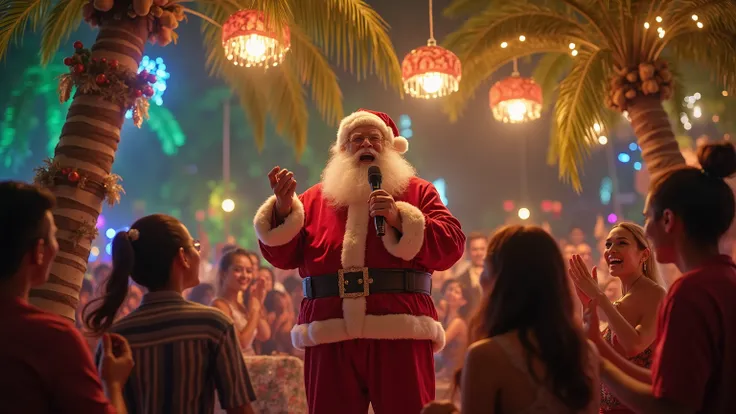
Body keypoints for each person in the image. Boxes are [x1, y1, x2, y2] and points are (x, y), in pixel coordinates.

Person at [253, 109, 465, 413]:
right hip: (330, 333)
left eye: (375, 138)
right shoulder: (313, 200)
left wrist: (399, 217)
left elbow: (452, 245)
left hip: (399, 333)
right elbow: (281, 255)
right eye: (356, 139)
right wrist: (284, 210)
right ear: (342, 149)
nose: (366, 144)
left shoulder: (418, 192)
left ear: (391, 147)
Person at [591, 142, 736, 413]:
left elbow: (671, 405)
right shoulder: (726, 279)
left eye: (647, 218)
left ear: (668, 220)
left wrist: (599, 364)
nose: (646, 229)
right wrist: (599, 348)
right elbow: (668, 384)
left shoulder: (690, 292)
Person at [83, 214, 257, 414]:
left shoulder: (115, 338)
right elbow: (240, 408)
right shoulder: (213, 325)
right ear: (183, 257)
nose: (199, 253)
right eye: (196, 246)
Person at [423, 226, 600, 414]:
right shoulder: (585, 353)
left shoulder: (486, 355)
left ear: (499, 281)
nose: (481, 277)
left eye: (486, 267)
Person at [0, 181, 132, 414]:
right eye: (53, 238)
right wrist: (113, 383)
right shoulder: (51, 338)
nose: (56, 249)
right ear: (39, 251)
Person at [570, 222, 665, 414]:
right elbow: (590, 349)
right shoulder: (619, 300)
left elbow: (634, 345)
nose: (611, 250)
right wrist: (586, 305)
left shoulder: (655, 293)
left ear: (644, 255)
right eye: (608, 245)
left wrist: (599, 297)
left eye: (621, 243)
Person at [211, 248, 271, 356]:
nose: (244, 276)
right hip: (237, 367)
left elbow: (264, 335)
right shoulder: (219, 305)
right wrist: (255, 310)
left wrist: (258, 302)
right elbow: (242, 343)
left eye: (249, 271)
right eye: (238, 270)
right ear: (224, 273)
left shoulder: (240, 304)